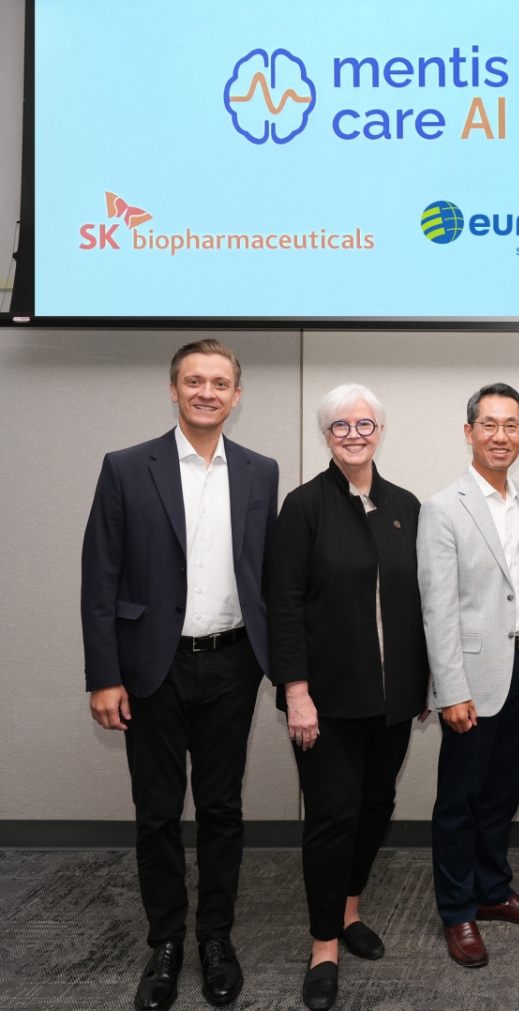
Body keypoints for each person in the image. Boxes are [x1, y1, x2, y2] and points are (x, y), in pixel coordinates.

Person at [81, 339, 277, 1011]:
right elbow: (100, 576)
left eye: (219, 383)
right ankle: (165, 941)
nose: (206, 392)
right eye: (194, 381)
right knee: (158, 811)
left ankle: (215, 938)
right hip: (150, 668)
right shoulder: (126, 466)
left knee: (222, 810)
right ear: (174, 389)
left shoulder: (260, 471)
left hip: (232, 664)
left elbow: (266, 574)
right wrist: (104, 674)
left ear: (236, 395)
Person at [266, 384, 428, 1011]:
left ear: (379, 432)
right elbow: (283, 605)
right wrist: (296, 692)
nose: (354, 434)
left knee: (376, 805)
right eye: (341, 425)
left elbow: (418, 602)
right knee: (333, 816)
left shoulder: (405, 505)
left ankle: (350, 909)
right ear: (326, 435)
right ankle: (324, 943)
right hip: (326, 700)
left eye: (365, 424)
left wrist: (421, 683)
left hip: (392, 698)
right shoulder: (303, 506)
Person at [418, 383, 519, 969]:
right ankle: (457, 911)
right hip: (472, 678)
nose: (501, 436)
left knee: (502, 794)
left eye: (512, 425)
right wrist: (450, 690)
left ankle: (492, 890)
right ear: (469, 431)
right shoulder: (443, 507)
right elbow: (437, 608)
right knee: (459, 802)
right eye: (490, 424)